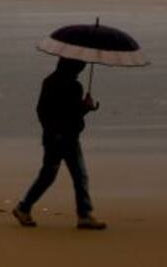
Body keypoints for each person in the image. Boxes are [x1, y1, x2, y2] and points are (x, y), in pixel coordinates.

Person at [12, 57, 107, 230]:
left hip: (59, 137)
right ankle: (83, 215)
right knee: (73, 175)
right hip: (62, 138)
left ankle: (24, 207)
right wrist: (84, 109)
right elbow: (66, 113)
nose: (81, 69)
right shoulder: (69, 86)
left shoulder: (52, 82)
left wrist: (85, 108)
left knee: (55, 175)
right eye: (80, 66)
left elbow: (49, 111)